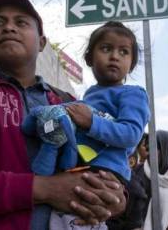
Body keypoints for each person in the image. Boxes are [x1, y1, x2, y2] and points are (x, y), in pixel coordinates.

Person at [0, 0, 126, 230]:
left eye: (21, 22)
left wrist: (116, 196)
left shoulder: (71, 104)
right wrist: (41, 188)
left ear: (42, 42)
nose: (8, 27)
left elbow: (101, 158)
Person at [22, 21, 150, 229]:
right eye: (106, 48)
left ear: (132, 63)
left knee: (82, 219)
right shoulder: (89, 95)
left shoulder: (132, 94)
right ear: (90, 58)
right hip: (76, 169)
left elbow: (132, 134)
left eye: (124, 52)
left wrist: (91, 122)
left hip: (105, 172)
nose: (115, 56)